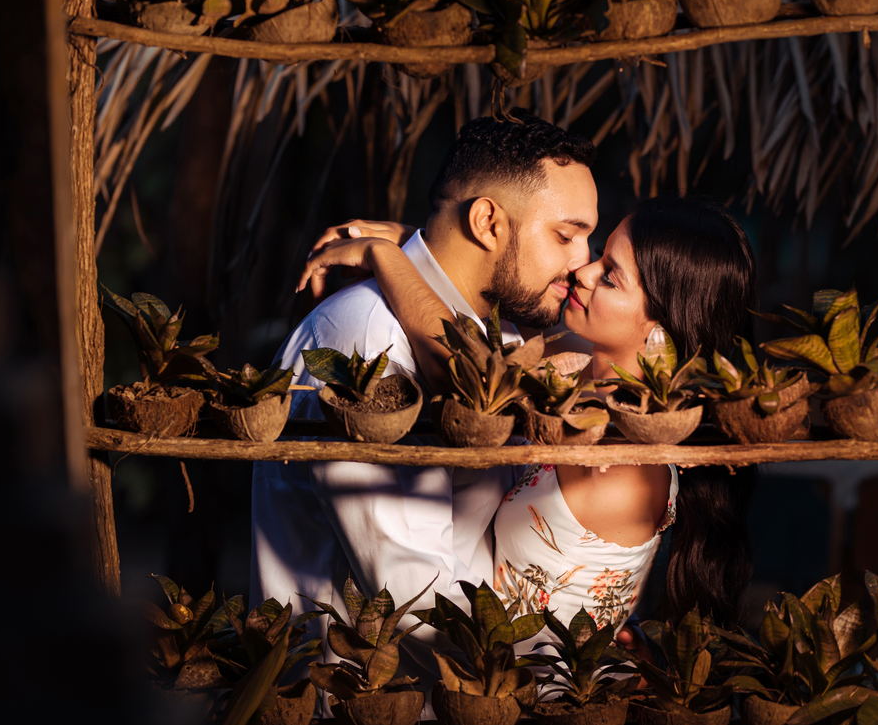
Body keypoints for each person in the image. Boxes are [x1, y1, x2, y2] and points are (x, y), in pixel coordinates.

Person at [250, 110, 599, 696]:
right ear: (487, 221)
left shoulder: (502, 339)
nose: (582, 262)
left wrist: (402, 245)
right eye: (565, 236)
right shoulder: (366, 336)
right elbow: (411, 596)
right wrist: (563, 669)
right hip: (362, 698)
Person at [302, 196, 758, 636]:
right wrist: (425, 243)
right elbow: (494, 301)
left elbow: (469, 365)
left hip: (522, 671)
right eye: (601, 255)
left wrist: (385, 256)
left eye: (610, 277)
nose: (583, 271)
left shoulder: (623, 466)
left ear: (660, 329)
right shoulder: (584, 368)